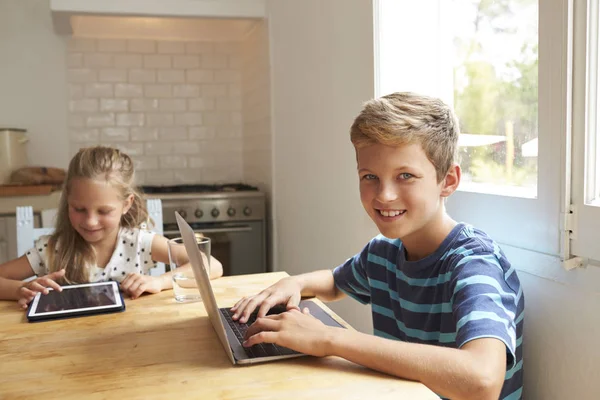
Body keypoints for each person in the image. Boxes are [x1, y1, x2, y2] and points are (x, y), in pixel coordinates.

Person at [231, 92, 524, 400]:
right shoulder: (384, 253)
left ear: (448, 180)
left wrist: (331, 339)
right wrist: (296, 282)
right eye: (370, 176)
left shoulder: (474, 263)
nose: (384, 195)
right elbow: (334, 283)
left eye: (406, 176)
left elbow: (482, 381)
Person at [0, 146, 223, 308]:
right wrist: (21, 289)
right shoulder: (51, 249)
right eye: (79, 209)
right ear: (68, 199)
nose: (90, 221)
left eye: (104, 211)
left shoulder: (139, 243)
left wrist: (159, 281)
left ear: (126, 205)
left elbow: (212, 265)